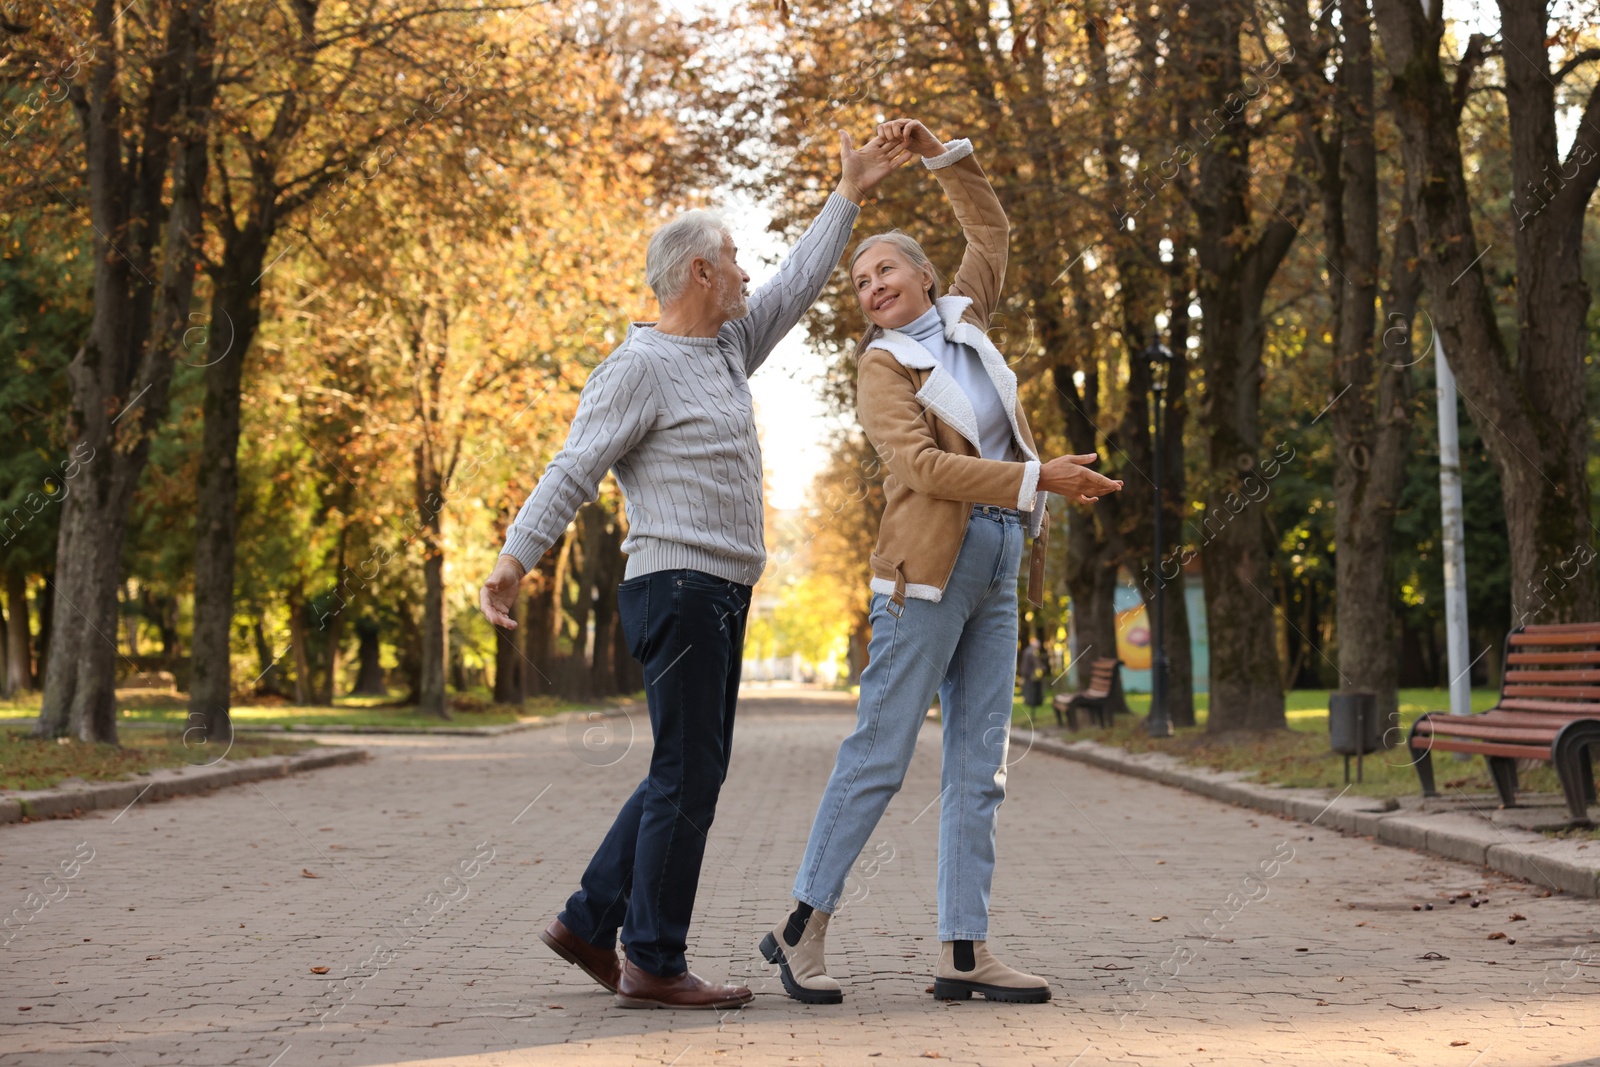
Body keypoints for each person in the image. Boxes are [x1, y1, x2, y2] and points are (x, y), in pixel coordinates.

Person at [478, 129, 913, 1010]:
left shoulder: (722, 350)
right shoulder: (637, 367)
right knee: (688, 772)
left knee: (687, 768)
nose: (749, 274)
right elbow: (574, 467)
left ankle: (588, 920)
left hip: (717, 590)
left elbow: (792, 285)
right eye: (735, 261)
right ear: (700, 276)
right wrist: (515, 555)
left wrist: (849, 194)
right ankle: (653, 958)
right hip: (676, 590)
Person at [759, 120, 1123, 1006]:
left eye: (884, 269)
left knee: (980, 767)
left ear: (924, 275)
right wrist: (1039, 477)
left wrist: (942, 153)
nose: (871, 286)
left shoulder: (964, 317)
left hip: (999, 559)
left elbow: (989, 230)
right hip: (923, 576)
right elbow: (920, 468)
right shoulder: (884, 367)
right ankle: (803, 928)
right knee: (879, 752)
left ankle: (964, 948)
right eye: (858, 281)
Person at [1019, 635, 1045, 716]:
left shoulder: (1027, 650)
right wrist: (1042, 668)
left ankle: (1031, 707)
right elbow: (1036, 662)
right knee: (1031, 692)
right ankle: (1032, 707)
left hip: (1025, 673)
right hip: (1029, 674)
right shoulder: (1032, 652)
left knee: (1028, 690)